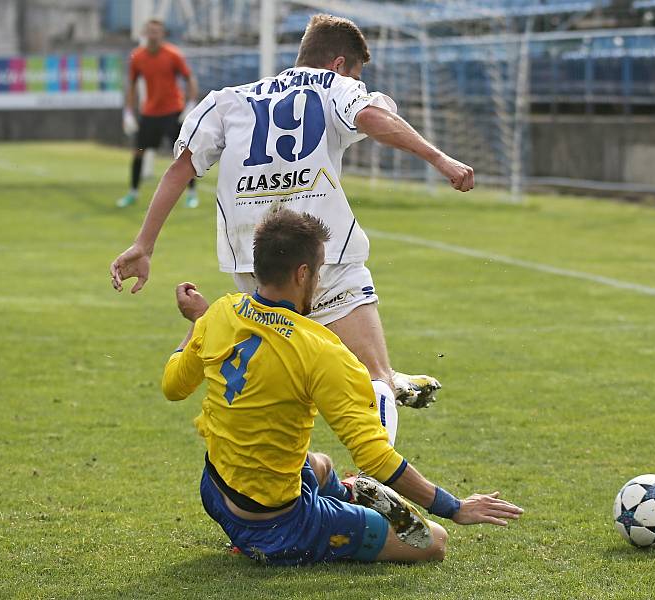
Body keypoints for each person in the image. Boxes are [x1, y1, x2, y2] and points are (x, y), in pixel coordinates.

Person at [111, 14, 475, 444]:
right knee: (371, 376)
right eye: (356, 74)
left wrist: (143, 245)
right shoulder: (334, 86)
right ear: (339, 65)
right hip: (324, 255)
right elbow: (373, 118)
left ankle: (368, 387)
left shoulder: (229, 99)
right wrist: (441, 160)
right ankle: (377, 459)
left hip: (254, 263)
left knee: (288, 375)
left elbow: (179, 170)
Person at [162, 208, 522, 565]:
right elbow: (375, 457)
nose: (318, 282)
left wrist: (198, 321)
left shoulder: (220, 313)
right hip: (276, 525)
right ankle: (326, 515)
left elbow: (173, 386)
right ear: (303, 274)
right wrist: (455, 507)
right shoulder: (320, 349)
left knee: (320, 465)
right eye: (318, 272)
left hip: (215, 490)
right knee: (433, 542)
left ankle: (348, 495)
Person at [117, 18, 200, 209]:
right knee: (138, 152)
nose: (153, 35)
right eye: (149, 31)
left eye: (156, 32)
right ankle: (133, 192)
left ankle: (192, 193)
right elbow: (131, 86)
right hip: (149, 114)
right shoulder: (137, 57)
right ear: (145, 34)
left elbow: (190, 79)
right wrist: (128, 112)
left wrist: (191, 103)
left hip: (172, 112)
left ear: (162, 34)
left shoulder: (173, 55)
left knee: (183, 155)